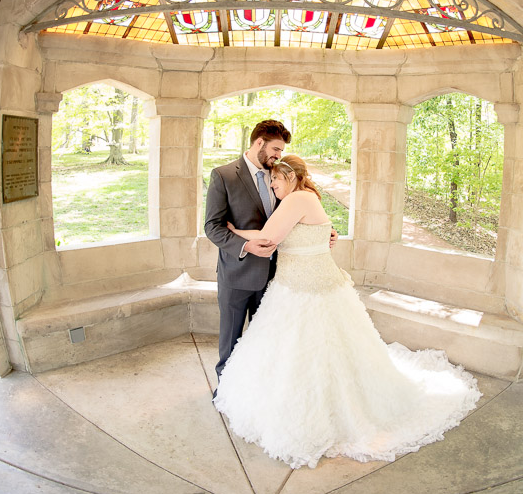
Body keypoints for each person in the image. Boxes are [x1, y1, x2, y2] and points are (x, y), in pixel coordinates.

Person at [213, 154, 482, 469]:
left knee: (309, 355)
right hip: (300, 285)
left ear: (288, 176)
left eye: (275, 179)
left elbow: (269, 238)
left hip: (305, 291)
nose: (272, 185)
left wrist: (233, 231)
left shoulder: (297, 198)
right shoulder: (308, 197)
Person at [203, 120, 294, 387]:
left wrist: (328, 231)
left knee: (263, 338)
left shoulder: (280, 174)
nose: (279, 155)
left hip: (274, 276)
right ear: (259, 143)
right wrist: (245, 246)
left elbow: (299, 208)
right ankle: (227, 391)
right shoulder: (224, 175)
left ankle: (255, 391)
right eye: (276, 149)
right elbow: (212, 227)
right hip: (236, 275)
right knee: (230, 340)